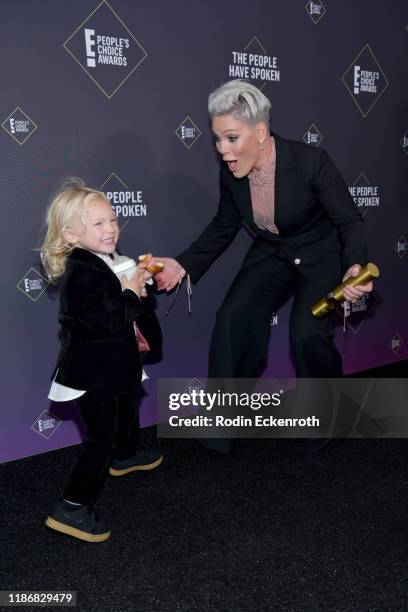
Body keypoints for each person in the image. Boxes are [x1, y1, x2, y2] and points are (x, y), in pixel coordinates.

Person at [141, 79, 374, 452]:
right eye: (217, 140)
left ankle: (332, 421)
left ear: (261, 132)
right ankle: (223, 419)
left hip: (319, 251)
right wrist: (183, 265)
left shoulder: (311, 162)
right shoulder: (230, 174)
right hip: (272, 250)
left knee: (306, 333)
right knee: (234, 314)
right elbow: (223, 226)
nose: (223, 151)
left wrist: (353, 266)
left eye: (231, 138)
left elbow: (349, 221)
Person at [41, 180, 162, 542]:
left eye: (113, 219)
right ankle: (72, 507)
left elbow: (123, 307)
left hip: (114, 367)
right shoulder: (81, 274)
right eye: (98, 224)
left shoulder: (106, 261)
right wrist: (129, 291)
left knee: (127, 405)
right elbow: (106, 319)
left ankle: (125, 455)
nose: (110, 228)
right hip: (92, 375)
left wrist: (137, 281)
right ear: (71, 235)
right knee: (101, 437)